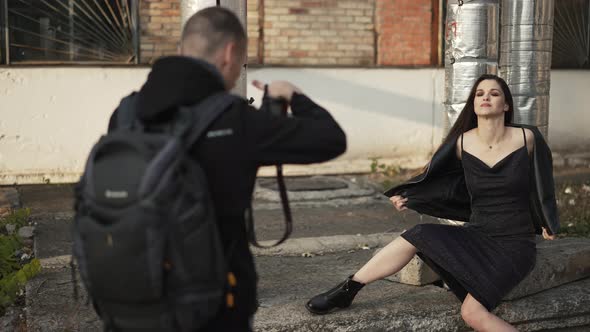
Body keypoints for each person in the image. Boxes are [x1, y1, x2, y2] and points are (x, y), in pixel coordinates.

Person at [107, 7, 346, 331]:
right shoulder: (235, 120)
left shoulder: (126, 112)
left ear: (182, 50)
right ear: (230, 53)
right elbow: (331, 139)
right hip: (209, 304)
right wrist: (291, 94)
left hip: (130, 293)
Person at [305, 74, 559, 331]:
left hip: (514, 244)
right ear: (473, 104)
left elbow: (543, 185)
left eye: (494, 94)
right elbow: (441, 182)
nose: (485, 98)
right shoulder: (461, 142)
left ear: (506, 105)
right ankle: (348, 289)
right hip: (479, 234)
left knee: (472, 313)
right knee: (417, 234)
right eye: (479, 94)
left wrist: (547, 222)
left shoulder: (527, 138)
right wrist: (411, 197)